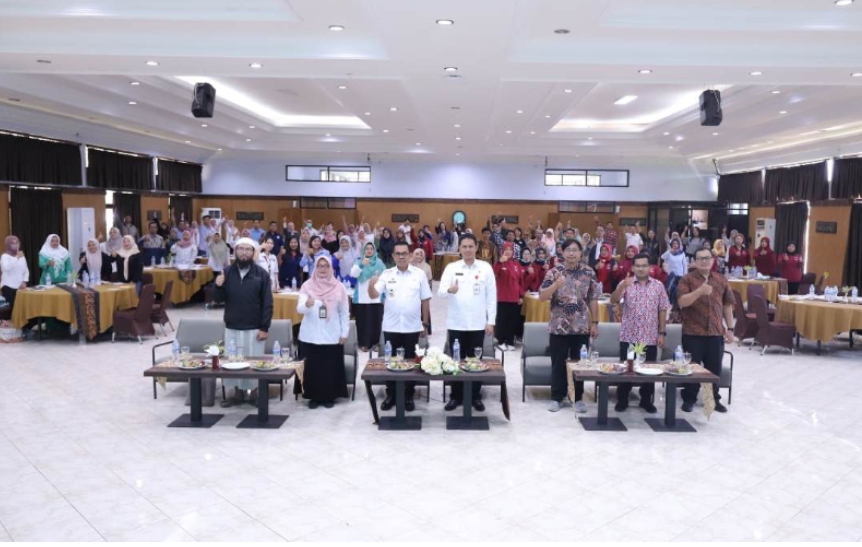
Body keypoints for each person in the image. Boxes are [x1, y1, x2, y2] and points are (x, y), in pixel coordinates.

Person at [369, 241, 432, 412]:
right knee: (391, 361)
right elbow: (374, 295)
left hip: (412, 327)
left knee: (411, 361)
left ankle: (408, 395)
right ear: (393, 256)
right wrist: (371, 284)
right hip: (391, 326)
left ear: (410, 256)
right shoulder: (386, 274)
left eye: (405, 253)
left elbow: (425, 300)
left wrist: (425, 323)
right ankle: (391, 394)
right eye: (398, 254)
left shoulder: (419, 274)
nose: (402, 256)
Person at [539, 239, 599, 413]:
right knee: (558, 363)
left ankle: (577, 398)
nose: (572, 253)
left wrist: (595, 323)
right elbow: (542, 297)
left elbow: (593, 298)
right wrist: (556, 285)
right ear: (562, 252)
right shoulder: (554, 272)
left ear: (581, 253)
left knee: (579, 363)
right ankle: (557, 397)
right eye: (568, 250)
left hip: (581, 327)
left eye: (575, 250)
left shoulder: (589, 272)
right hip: (558, 327)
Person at [438, 234, 496, 411]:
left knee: (475, 361)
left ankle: (475, 396)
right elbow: (440, 293)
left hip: (478, 324)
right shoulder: (451, 267)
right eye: (464, 246)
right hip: (456, 323)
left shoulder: (485, 268)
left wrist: (491, 321)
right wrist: (450, 289)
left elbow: (491, 297)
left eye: (471, 246)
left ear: (476, 247)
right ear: (459, 248)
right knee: (455, 361)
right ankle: (455, 396)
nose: (468, 250)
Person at [213, 238, 273, 407]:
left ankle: (254, 394)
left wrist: (264, 327)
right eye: (241, 249)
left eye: (248, 249)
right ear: (235, 251)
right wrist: (217, 285)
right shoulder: (227, 272)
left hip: (254, 327)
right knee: (233, 361)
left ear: (253, 253)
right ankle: (237, 394)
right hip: (232, 326)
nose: (244, 253)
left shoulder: (261, 274)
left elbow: (267, 303)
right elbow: (218, 300)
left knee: (254, 362)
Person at [610, 253, 670, 413]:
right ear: (633, 267)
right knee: (626, 369)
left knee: (649, 371)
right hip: (629, 336)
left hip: (649, 336)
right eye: (638, 265)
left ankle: (646, 400)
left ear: (650, 267)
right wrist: (622, 287)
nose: (641, 268)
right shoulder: (626, 283)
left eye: (644, 265)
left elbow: (663, 309)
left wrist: (662, 333)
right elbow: (613, 300)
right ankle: (622, 399)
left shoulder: (658, 286)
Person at [677, 247, 734, 414]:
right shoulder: (686, 280)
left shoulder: (721, 280)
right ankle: (689, 399)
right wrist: (699, 291)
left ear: (712, 260)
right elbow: (682, 302)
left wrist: (730, 328)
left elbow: (727, 305)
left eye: (707, 258)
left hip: (715, 332)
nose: (704, 261)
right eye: (700, 258)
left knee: (713, 369)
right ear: (695, 261)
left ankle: (711, 399)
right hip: (693, 333)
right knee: (692, 368)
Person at [295, 255, 350, 408]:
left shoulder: (339, 287)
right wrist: (307, 304)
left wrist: (344, 333)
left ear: (330, 268)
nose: (323, 269)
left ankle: (329, 397)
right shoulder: (307, 285)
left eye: (326, 266)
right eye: (320, 266)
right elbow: (299, 309)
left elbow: (344, 312)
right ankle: (312, 397)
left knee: (329, 367)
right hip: (310, 334)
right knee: (312, 367)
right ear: (315, 268)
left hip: (331, 333)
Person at [350, 242, 386, 352]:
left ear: (374, 250)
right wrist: (361, 265)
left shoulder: (379, 262)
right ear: (364, 250)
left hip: (376, 296)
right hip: (362, 297)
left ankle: (375, 343)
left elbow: (385, 278)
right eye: (367, 248)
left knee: (376, 321)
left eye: (371, 248)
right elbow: (353, 274)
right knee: (362, 321)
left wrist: (384, 295)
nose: (369, 251)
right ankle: (364, 344)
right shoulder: (359, 260)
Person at [493, 242, 524, 351]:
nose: (508, 251)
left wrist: (521, 296)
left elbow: (520, 281)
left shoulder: (516, 264)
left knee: (512, 321)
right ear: (503, 251)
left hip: (514, 298)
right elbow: (493, 274)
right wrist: (499, 263)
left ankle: (510, 341)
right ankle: (501, 341)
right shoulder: (499, 262)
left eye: (510, 250)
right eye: (506, 249)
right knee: (502, 320)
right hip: (502, 297)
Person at [1, 235, 29, 310]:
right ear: (8, 245)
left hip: (21, 287)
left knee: (23, 309)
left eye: (17, 242)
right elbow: (7, 267)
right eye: (13, 243)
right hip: (9, 287)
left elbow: (26, 270)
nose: (16, 245)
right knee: (13, 309)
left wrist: (24, 281)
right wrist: (16, 258)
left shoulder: (21, 256)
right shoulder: (5, 256)